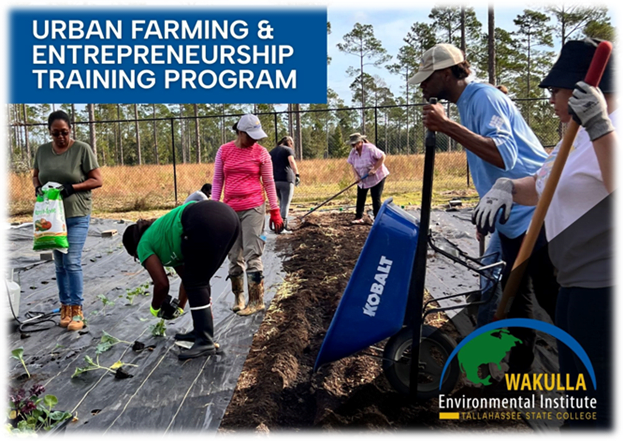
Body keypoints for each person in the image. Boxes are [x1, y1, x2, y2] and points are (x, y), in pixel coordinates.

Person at [473, 38, 621, 438]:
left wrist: (601, 127)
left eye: (556, 89)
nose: (551, 98)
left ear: (584, 89)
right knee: (578, 387)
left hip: (608, 284)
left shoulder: (612, 126)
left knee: (604, 398)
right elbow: (542, 185)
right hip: (573, 280)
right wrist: (506, 188)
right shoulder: (574, 134)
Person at [410, 43, 559, 375]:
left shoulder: (483, 97)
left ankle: (596, 371)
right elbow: (490, 169)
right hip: (511, 217)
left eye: (427, 78)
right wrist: (486, 207)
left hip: (535, 215)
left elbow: (504, 155)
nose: (422, 86)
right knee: (517, 301)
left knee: (552, 299)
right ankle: (520, 375)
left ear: (446, 73)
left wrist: (446, 126)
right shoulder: (469, 103)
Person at [122, 200, 240, 360]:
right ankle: (200, 331)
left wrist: (155, 307)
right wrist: (179, 307)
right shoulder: (162, 236)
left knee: (197, 282)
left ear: (134, 250)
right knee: (198, 279)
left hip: (202, 219)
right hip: (228, 217)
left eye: (138, 257)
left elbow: (162, 284)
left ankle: (205, 341)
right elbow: (186, 278)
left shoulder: (143, 244)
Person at [32, 110, 102, 332]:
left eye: (64, 132)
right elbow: (36, 175)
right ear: (49, 132)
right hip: (52, 218)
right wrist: (37, 187)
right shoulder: (42, 151)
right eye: (56, 133)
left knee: (71, 261)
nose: (61, 137)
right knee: (60, 264)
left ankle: (77, 309)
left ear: (70, 129)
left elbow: (97, 180)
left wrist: (72, 188)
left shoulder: (82, 149)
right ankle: (65, 307)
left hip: (76, 215)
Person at [211, 114, 284, 316]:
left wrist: (275, 210)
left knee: (253, 253)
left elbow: (269, 182)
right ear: (240, 132)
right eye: (250, 136)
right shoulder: (224, 151)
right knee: (234, 255)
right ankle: (239, 297)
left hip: (253, 208)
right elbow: (217, 180)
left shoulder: (261, 153)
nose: (254, 140)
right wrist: (214, 207)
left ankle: (256, 301)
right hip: (230, 210)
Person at [346, 133, 390, 224]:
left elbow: (382, 156)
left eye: (354, 144)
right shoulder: (353, 152)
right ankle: (358, 217)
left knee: (375, 197)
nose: (353, 146)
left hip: (377, 177)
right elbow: (352, 165)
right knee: (360, 197)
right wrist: (356, 176)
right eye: (352, 144)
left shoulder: (370, 148)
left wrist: (375, 169)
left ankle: (377, 220)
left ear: (360, 142)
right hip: (363, 178)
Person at [269, 136, 300, 232]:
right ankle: (282, 226)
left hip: (275, 180)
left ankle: (277, 223)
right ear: (290, 143)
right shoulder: (288, 150)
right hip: (286, 179)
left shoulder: (272, 152)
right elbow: (291, 161)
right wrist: (297, 174)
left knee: (280, 202)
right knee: (285, 203)